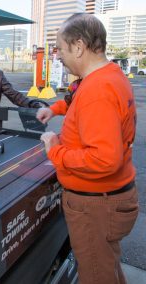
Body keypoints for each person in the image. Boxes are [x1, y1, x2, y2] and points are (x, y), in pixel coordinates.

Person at [36, 14, 138, 284]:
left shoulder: (98, 90)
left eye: (61, 48)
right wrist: (55, 108)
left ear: (79, 46)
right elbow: (79, 103)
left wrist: (55, 150)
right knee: (106, 266)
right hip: (110, 199)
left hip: (96, 206)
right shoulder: (108, 75)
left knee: (95, 274)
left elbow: (104, 160)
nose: (58, 56)